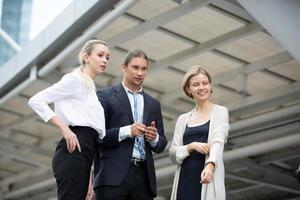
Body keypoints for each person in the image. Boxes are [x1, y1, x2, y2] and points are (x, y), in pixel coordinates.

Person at [28, 39, 110, 200]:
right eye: (100, 55)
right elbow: (36, 100)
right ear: (86, 57)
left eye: (107, 57)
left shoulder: (90, 89)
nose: (105, 60)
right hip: (72, 150)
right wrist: (65, 129)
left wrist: (88, 175)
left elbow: (91, 137)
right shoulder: (74, 80)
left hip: (85, 154)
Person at [94, 49, 168, 200]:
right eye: (135, 67)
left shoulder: (153, 104)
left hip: (144, 180)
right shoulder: (105, 96)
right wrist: (128, 131)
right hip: (111, 178)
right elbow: (97, 137)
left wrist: (153, 138)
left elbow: (161, 144)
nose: (140, 73)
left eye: (143, 68)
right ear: (123, 67)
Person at [169, 66, 230, 200]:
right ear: (188, 89)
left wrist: (210, 165)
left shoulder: (220, 111)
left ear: (210, 85)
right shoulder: (182, 119)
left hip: (207, 177)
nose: (202, 87)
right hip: (184, 181)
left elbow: (218, 141)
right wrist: (191, 146)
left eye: (205, 83)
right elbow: (173, 154)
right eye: (196, 84)